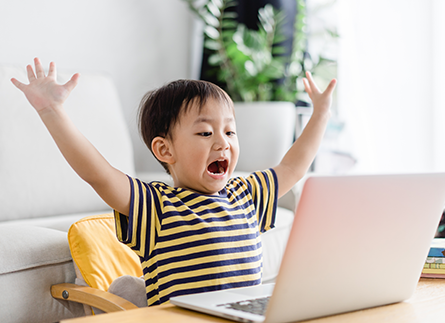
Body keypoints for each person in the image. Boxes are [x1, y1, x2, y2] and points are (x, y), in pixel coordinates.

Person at [11, 58, 336, 306]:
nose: (223, 142)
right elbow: (98, 174)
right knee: (128, 288)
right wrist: (52, 111)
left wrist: (320, 113)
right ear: (165, 149)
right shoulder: (157, 205)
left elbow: (293, 166)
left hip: (242, 314)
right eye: (205, 132)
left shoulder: (246, 193)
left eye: (230, 131)